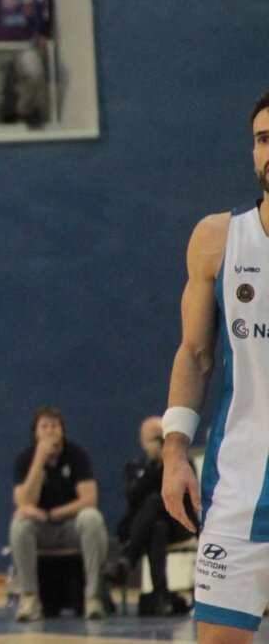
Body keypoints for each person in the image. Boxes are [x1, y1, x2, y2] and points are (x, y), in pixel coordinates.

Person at [161, 92, 269, 642]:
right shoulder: (217, 239)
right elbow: (195, 354)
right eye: (264, 139)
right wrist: (174, 451)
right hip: (238, 488)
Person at [10, 406, 109, 621]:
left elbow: (89, 500)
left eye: (54, 426)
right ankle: (29, 599)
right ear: (36, 434)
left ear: (62, 431)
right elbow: (24, 502)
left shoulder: (77, 455)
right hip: (41, 531)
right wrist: (39, 461)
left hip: (70, 527)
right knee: (20, 524)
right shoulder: (25, 459)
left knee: (91, 518)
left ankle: (93, 597)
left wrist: (51, 515)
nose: (50, 431)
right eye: (44, 426)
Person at [118, 416, 191, 616]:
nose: (160, 444)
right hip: (145, 528)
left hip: (178, 524)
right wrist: (153, 468)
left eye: (163, 438)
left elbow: (185, 498)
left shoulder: (182, 464)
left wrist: (166, 463)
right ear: (143, 442)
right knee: (157, 527)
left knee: (155, 502)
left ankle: (128, 559)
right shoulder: (134, 468)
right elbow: (133, 496)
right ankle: (161, 596)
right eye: (154, 439)